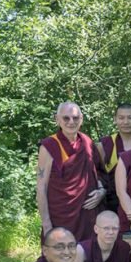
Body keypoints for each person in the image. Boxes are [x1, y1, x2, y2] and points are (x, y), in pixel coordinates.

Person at [37, 101, 104, 240]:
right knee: (59, 256)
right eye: (66, 118)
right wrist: (47, 225)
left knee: (86, 255)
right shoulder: (49, 146)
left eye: (75, 118)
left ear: (82, 119)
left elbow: (98, 172)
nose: (71, 122)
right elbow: (41, 187)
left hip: (87, 214)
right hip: (61, 215)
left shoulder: (86, 142)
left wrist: (101, 191)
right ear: (57, 119)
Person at [96, 103, 131, 211]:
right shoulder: (105, 144)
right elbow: (96, 172)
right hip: (111, 203)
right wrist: (101, 189)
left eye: (130, 118)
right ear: (115, 119)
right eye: (121, 118)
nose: (126, 122)